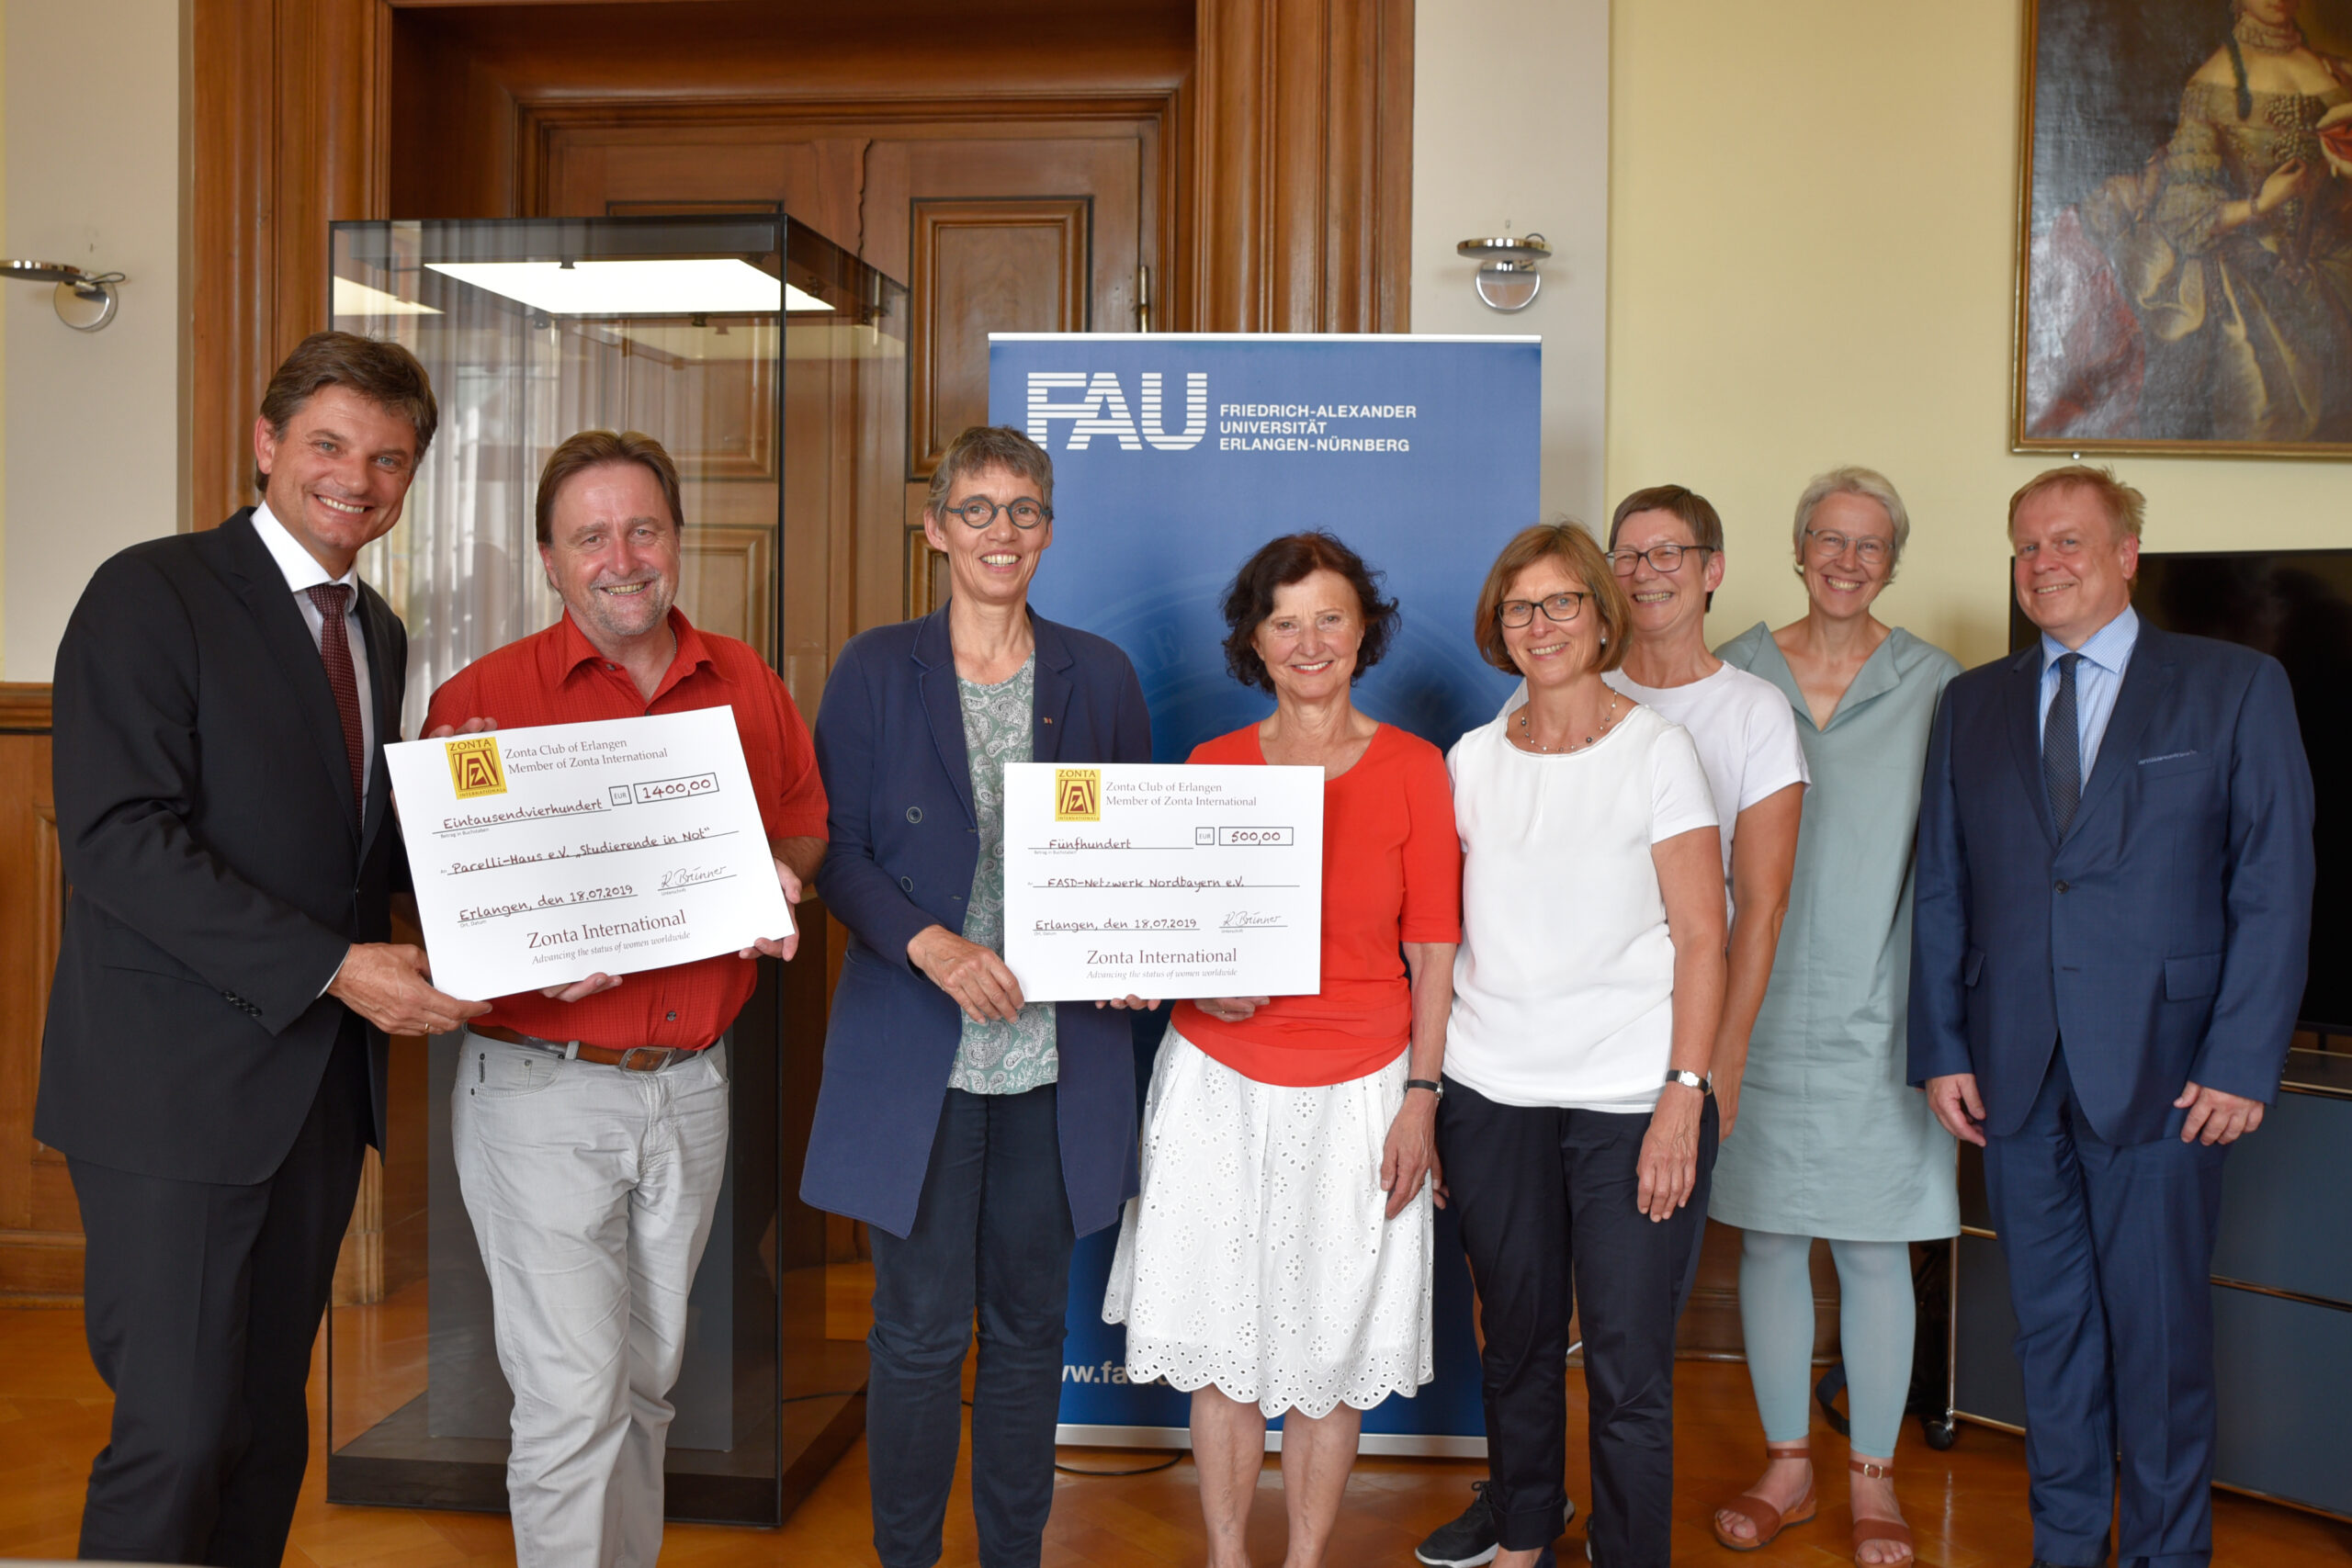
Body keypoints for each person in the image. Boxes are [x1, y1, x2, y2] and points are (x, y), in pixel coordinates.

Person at [39, 332, 487, 1563]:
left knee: (263, 1429)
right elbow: (123, 841)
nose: (358, 476)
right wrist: (343, 967)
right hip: (171, 1094)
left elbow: (349, 851)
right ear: (267, 445)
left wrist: (504, 867)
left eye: (389, 457)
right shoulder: (153, 590)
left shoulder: (377, 630)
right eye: (331, 444)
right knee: (176, 1434)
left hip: (312, 1097)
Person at [421, 429, 825, 1566]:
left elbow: (801, 821)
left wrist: (774, 872)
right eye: (590, 536)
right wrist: (515, 937)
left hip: (692, 1087)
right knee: (570, 1399)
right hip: (544, 1094)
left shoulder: (745, 680)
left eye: (643, 529)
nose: (622, 557)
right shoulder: (481, 703)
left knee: (646, 1385)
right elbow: (440, 915)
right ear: (548, 560)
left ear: (678, 542)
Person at [1910, 466, 2314, 1568]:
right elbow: (1944, 885)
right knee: (2049, 1340)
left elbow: (2273, 886)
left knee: (2162, 1342)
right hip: (2013, 1074)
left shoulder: (2233, 686)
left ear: (2127, 553)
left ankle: (2167, 1556)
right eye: (2026, 546)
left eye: (2068, 541)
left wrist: (2241, 1060)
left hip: (2172, 1075)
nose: (2044, 563)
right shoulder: (1973, 702)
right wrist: (1941, 1046)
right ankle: (2067, 1546)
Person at [1421, 486, 1802, 1568]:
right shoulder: (1469, 761)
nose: (1539, 627)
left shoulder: (1659, 752)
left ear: (1601, 616)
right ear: (1500, 628)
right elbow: (1441, 940)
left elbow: (1702, 937)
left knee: (1629, 1364)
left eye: (1559, 605)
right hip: (1491, 1094)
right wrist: (1436, 1090)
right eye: (1518, 610)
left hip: (1631, 1100)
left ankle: (1630, 1551)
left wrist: (1686, 1093)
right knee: (1519, 1346)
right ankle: (1527, 1528)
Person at [802, 425, 1153, 1568]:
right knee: (910, 1334)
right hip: (921, 1055)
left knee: (1023, 1332)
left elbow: (1135, 853)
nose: (1000, 533)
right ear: (935, 529)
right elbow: (841, 853)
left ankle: (1015, 1557)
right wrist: (931, 945)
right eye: (977, 510)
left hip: (1057, 1063)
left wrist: (1137, 947)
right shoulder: (871, 668)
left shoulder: (1099, 673)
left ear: (1048, 531)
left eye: (1023, 512)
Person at [1105, 530, 1461, 1568]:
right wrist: (1166, 974)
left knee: (1330, 1344)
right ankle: (1226, 1555)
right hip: (1216, 1081)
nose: (1309, 641)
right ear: (1254, 641)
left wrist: (1421, 1098)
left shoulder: (1413, 769)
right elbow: (1168, 939)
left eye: (1330, 618)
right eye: (1284, 620)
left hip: (1363, 1089)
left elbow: (1433, 954)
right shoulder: (1210, 767)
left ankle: (1304, 1558)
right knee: (1222, 1347)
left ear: (1364, 633)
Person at [1708, 468, 1962, 1564]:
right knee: (1767, 1240)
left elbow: (1958, 867)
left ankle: (1871, 1481)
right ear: (1797, 547)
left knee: (1872, 1248)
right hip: (1747, 1011)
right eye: (1829, 540)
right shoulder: (1735, 674)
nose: (1847, 562)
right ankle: (1786, 1468)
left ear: (1893, 562)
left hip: (1884, 1010)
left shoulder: (1938, 684)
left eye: (1870, 546)